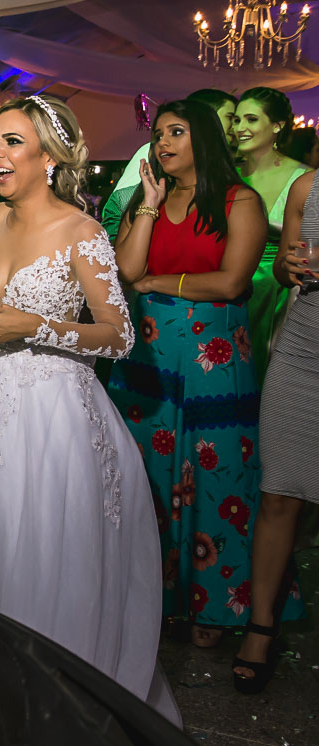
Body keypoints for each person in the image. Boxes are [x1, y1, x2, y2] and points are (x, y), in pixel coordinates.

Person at [0, 95, 180, 724]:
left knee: (36, 541)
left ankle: (48, 708)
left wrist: (35, 326)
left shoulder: (82, 232)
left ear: (49, 156)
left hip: (50, 410)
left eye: (12, 142)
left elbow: (119, 335)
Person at [111, 99, 302, 651]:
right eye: (158, 134)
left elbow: (231, 282)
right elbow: (126, 269)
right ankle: (156, 600)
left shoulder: (239, 200)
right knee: (148, 476)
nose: (163, 142)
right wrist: (148, 207)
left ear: (205, 140)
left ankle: (217, 604)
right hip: (148, 362)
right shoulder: (148, 199)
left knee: (216, 476)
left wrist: (158, 284)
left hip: (212, 361)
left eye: (176, 132)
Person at [232, 170, 317, 693]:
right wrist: (287, 266)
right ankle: (261, 626)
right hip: (303, 349)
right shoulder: (308, 188)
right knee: (280, 492)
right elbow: (286, 269)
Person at [235, 87, 314, 383]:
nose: (240, 128)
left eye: (251, 119)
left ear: (277, 126)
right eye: (237, 120)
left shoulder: (303, 179)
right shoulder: (227, 175)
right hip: (227, 283)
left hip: (279, 291)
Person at [102, 89, 237, 241]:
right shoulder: (154, 162)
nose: (236, 127)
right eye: (231, 118)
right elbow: (120, 206)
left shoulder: (236, 196)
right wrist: (148, 206)